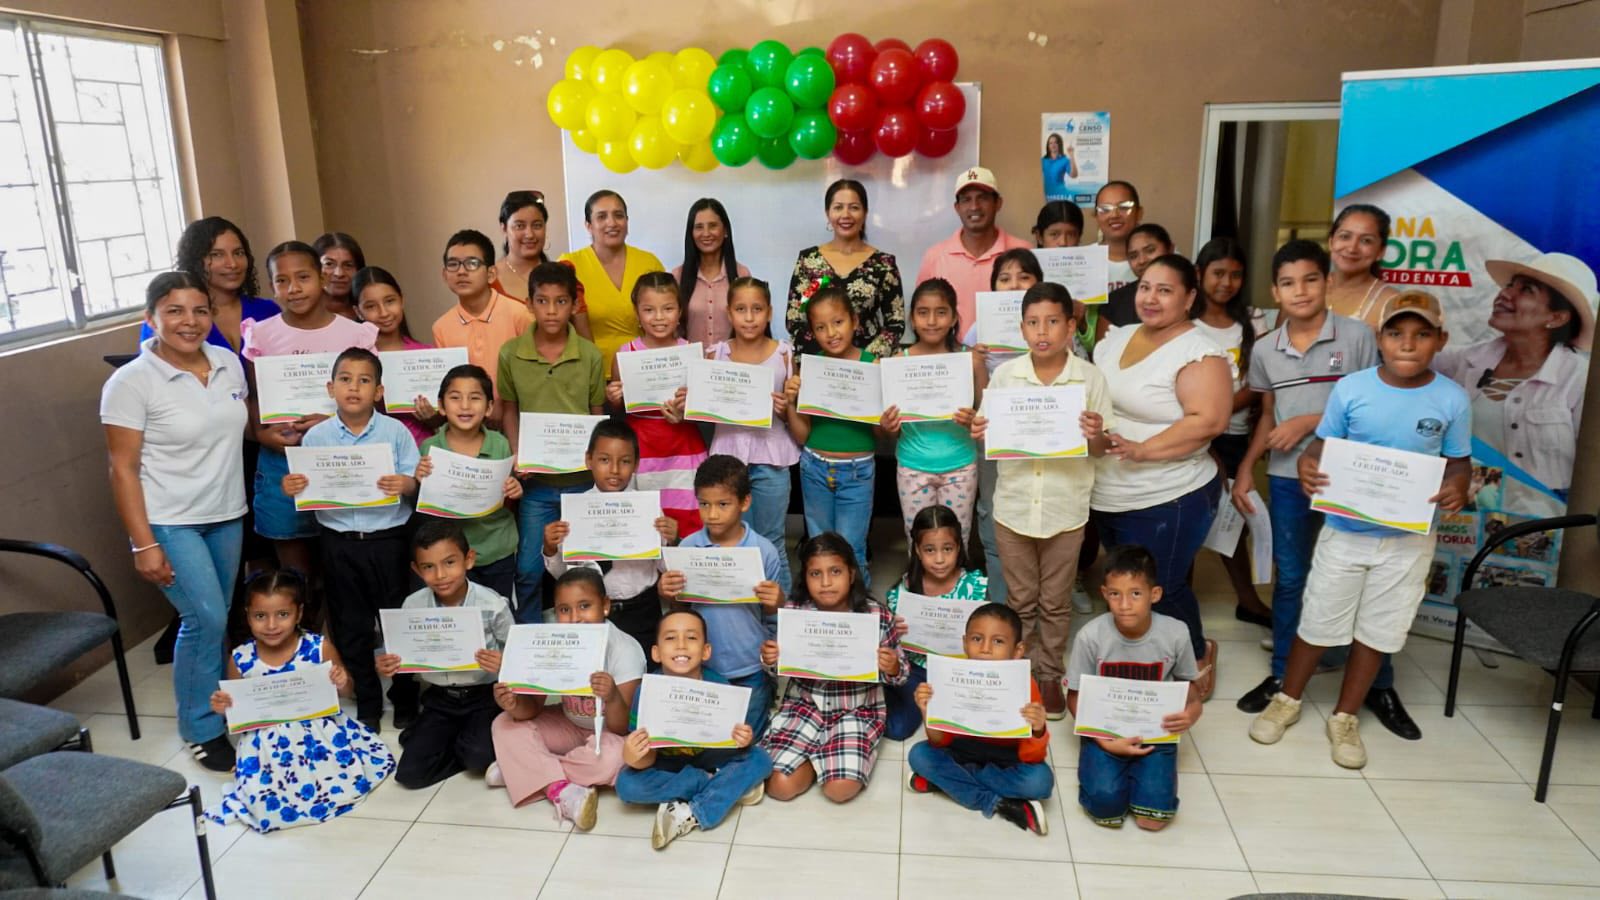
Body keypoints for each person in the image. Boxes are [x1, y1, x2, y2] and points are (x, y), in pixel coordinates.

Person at [1250, 291, 1471, 769]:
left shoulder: (1452, 398)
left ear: (1441, 340)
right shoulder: (1352, 388)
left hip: (1407, 540)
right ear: (1380, 339)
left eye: (1421, 334)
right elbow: (1322, 446)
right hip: (1345, 531)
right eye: (1396, 333)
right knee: (1318, 621)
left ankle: (1345, 716)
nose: (1407, 344)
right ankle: (1287, 699)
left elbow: (1458, 462)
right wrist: (1308, 464)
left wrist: (1457, 485)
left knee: (1378, 630)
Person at [1229, 241, 1418, 740]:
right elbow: (1268, 416)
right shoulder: (1266, 348)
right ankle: (1283, 677)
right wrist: (1247, 468)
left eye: (1311, 279)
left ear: (1328, 282)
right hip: (1289, 477)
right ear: (1275, 292)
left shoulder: (1357, 336)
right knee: (1291, 577)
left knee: (1365, 579)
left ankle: (1377, 685)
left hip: (1355, 476)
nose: (1301, 291)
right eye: (1288, 283)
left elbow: (1377, 399)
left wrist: (1310, 420)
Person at [103, 271, 251, 772]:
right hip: (170, 520)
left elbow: (237, 429)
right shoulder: (131, 382)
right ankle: (200, 727)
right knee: (204, 619)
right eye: (174, 311)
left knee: (217, 617)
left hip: (226, 513)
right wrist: (143, 543)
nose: (190, 321)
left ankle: (219, 702)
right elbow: (122, 468)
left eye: (199, 310)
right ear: (150, 318)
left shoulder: (227, 364)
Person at [1091, 254, 1231, 701]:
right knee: (1127, 586)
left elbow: (1209, 420)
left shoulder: (1199, 351)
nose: (1151, 298)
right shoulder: (1118, 336)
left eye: (1165, 290)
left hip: (1170, 494)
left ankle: (1197, 653)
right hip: (1110, 490)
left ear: (1189, 298)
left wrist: (1143, 449)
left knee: (1161, 587)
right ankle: (1144, 654)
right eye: (1146, 287)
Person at [972, 282, 1115, 719]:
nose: (1042, 331)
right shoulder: (1005, 377)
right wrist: (979, 432)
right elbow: (991, 438)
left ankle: (1050, 674)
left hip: (1065, 509)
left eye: (1052, 321)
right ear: (1021, 329)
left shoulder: (1089, 378)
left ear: (1070, 326)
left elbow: (1101, 449)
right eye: (1033, 323)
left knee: (1055, 601)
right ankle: (1021, 672)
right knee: (1020, 599)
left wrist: (1095, 435)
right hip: (1014, 507)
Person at [281, 347, 420, 731]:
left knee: (397, 622)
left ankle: (405, 697)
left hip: (389, 540)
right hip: (339, 541)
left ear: (379, 391)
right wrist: (293, 487)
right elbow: (306, 489)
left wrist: (405, 483)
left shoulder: (396, 432)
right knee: (351, 625)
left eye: (364, 380)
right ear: (331, 388)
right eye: (345, 379)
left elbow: (415, 482)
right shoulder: (317, 437)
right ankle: (368, 701)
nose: (354, 387)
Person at [207, 570, 393, 830]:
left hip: (317, 733)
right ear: (247, 615)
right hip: (266, 743)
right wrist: (223, 707)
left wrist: (342, 681)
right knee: (264, 802)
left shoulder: (318, 647)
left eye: (282, 614)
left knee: (340, 785)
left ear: (299, 613)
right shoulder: (240, 657)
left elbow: (347, 691)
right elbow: (237, 711)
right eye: (260, 616)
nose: (271, 625)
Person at [242, 241, 378, 582]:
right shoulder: (262, 334)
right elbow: (253, 396)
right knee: (295, 574)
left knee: (342, 567)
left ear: (322, 278)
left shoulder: (354, 333)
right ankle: (303, 617)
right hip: (282, 460)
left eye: (303, 277)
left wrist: (332, 424)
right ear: (272, 286)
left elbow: (372, 399)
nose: (294, 288)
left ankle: (335, 618)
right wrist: (262, 433)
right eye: (282, 280)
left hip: (341, 458)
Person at [1435, 252, 1598, 514]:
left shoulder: (1580, 378)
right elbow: (1401, 360)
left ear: (1556, 317)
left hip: (1544, 526)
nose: (1505, 294)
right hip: (1466, 521)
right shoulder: (1465, 361)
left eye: (1527, 290)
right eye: (1511, 285)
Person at [489, 568, 646, 829]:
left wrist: (612, 696)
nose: (575, 618)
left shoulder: (625, 649)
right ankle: (561, 788)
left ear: (605, 605)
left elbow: (622, 727)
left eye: (585, 606)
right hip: (569, 722)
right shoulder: (552, 643)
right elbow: (532, 709)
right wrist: (514, 704)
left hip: (609, 732)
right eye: (564, 610)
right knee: (503, 723)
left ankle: (523, 769)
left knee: (613, 759)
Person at [760, 533, 907, 803]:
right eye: (815, 574)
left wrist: (893, 666)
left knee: (839, 791)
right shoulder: (795, 612)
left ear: (851, 574)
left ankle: (835, 756)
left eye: (835, 572)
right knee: (779, 787)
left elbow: (901, 675)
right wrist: (771, 659)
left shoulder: (876, 615)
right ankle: (818, 757)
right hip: (804, 707)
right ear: (805, 577)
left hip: (857, 711)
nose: (826, 583)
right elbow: (782, 666)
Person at [1067, 545, 1203, 830]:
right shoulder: (1090, 637)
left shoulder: (1176, 633)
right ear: (1104, 594)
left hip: (1155, 732)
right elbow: (1075, 697)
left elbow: (1190, 690)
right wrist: (1102, 739)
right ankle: (1113, 775)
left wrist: (1191, 713)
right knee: (1106, 810)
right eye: (1115, 594)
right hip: (1105, 730)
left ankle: (1142, 780)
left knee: (1151, 820)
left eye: (1136, 594)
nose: (1125, 604)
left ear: (1155, 594)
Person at [499, 261, 606, 621]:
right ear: (528, 304)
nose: (551, 310)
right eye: (542, 301)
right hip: (537, 486)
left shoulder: (590, 354)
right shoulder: (511, 353)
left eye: (561, 302)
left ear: (574, 305)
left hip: (582, 483)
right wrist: (517, 452)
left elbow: (596, 413)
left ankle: (591, 635)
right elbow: (509, 409)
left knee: (586, 569)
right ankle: (530, 638)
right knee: (529, 570)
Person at [617, 608, 774, 849]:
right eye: (671, 638)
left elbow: (735, 739)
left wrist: (742, 738)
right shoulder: (647, 691)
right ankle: (713, 784)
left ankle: (694, 810)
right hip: (666, 760)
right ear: (656, 652)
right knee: (626, 785)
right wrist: (633, 756)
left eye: (691, 637)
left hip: (709, 754)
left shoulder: (719, 685)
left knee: (760, 760)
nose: (681, 645)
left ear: (706, 650)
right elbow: (645, 759)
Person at [658, 455, 787, 735]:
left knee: (746, 738)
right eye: (704, 504)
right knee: (705, 737)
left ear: (745, 502)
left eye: (723, 504)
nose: (712, 514)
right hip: (702, 666)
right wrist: (668, 593)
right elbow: (682, 610)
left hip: (750, 665)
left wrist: (777, 603)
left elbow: (772, 617)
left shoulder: (764, 551)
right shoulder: (688, 547)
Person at [377, 520, 512, 788]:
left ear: (468, 559)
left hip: (483, 697)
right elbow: (402, 652)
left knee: (477, 758)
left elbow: (517, 652)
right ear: (417, 570)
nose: (440, 575)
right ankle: (442, 739)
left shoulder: (492, 604)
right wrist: (389, 663)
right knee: (410, 775)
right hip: (440, 699)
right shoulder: (412, 605)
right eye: (428, 567)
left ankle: (452, 742)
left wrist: (503, 663)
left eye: (449, 562)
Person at [908, 602, 1052, 834]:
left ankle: (946, 781)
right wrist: (927, 712)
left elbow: (1032, 756)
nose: (985, 649)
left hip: (1008, 756)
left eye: (998, 641)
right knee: (919, 755)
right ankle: (998, 803)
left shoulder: (1026, 686)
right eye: (977, 639)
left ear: (1017, 650)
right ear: (965, 643)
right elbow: (939, 742)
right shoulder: (951, 676)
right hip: (962, 749)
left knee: (1040, 782)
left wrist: (1038, 729)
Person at [1188, 238, 1272, 627]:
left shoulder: (1253, 320)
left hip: (1235, 434)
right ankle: (1181, 599)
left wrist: (1221, 411)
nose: (1226, 282)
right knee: (1189, 516)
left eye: (1235, 275)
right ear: (1199, 274)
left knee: (1232, 518)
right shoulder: (1185, 322)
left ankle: (1248, 600)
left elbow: (1261, 382)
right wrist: (1208, 417)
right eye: (1218, 273)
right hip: (1193, 434)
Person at [543, 419, 677, 654]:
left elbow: (665, 567)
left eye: (624, 461)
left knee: (643, 666)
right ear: (589, 460)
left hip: (642, 609)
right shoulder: (575, 510)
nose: (614, 470)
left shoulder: (649, 509)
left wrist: (672, 541)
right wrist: (550, 549)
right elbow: (565, 575)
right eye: (604, 460)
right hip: (592, 614)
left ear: (636, 464)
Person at [705, 277, 800, 592]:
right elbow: (703, 407)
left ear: (769, 313)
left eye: (757, 309)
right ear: (729, 313)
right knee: (730, 539)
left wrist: (785, 408)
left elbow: (794, 413)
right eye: (741, 309)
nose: (749, 317)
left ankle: (777, 612)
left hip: (772, 458)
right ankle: (738, 605)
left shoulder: (784, 355)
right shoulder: (715, 354)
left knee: (772, 539)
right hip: (728, 459)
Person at [782, 286, 879, 582]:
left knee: (852, 549)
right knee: (819, 547)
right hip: (814, 467)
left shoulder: (873, 366)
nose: (831, 333)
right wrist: (791, 402)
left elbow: (882, 432)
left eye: (838, 322)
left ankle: (858, 606)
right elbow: (802, 436)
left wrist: (886, 416)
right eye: (821, 327)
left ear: (854, 321)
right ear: (812, 332)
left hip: (857, 470)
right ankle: (821, 603)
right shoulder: (810, 369)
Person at [969, 249, 1045, 610]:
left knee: (1039, 514)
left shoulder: (1050, 327)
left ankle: (1035, 601)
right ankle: (1000, 602)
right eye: (1004, 278)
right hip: (994, 439)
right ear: (993, 287)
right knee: (992, 511)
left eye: (1023, 277)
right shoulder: (978, 329)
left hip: (1041, 439)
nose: (1014, 285)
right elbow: (978, 400)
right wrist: (976, 363)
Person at [880, 278, 981, 545]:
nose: (932, 321)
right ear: (912, 319)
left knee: (957, 540)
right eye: (923, 312)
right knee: (918, 539)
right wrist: (888, 426)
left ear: (954, 317)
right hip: (913, 466)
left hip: (960, 466)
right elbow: (890, 428)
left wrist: (974, 419)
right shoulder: (898, 363)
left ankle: (956, 576)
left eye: (941, 312)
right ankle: (917, 576)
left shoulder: (971, 360)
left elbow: (985, 416)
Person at [609, 271, 709, 537]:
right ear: (637, 313)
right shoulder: (625, 354)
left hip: (684, 447)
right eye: (649, 310)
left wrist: (687, 411)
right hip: (643, 447)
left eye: (668, 309)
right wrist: (614, 398)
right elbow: (619, 408)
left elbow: (704, 410)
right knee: (645, 521)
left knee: (689, 518)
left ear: (680, 311)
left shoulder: (692, 352)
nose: (659, 317)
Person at [415, 364, 522, 600]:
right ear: (441, 406)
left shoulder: (500, 444)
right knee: (457, 611)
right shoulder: (429, 448)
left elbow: (509, 489)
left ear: (489, 407)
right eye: (455, 398)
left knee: (497, 608)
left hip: (496, 548)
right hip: (448, 555)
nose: (465, 406)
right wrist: (419, 479)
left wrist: (515, 488)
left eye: (475, 398)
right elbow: (424, 504)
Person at [884, 505, 988, 739]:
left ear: (958, 547)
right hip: (916, 670)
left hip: (961, 672)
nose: (939, 559)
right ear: (917, 551)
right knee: (898, 728)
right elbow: (888, 646)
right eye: (930, 550)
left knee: (970, 725)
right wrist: (892, 631)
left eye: (947, 549)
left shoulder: (977, 587)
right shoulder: (903, 591)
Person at [784, 178, 904, 358]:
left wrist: (865, 359)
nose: (846, 215)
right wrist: (825, 354)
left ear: (865, 213)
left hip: (867, 364)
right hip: (819, 362)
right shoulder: (809, 262)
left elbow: (895, 324)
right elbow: (796, 318)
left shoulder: (883, 265)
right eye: (838, 207)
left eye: (854, 207)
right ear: (828, 213)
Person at [560, 190, 665, 378]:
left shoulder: (649, 263)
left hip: (647, 373)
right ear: (588, 225)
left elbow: (667, 317)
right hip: (590, 375)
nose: (612, 223)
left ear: (627, 221)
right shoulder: (570, 265)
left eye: (618, 215)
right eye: (602, 217)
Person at [916, 166, 1033, 335]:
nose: (974, 206)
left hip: (1012, 350)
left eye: (982, 198)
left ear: (998, 203)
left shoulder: (1024, 251)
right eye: (966, 200)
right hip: (952, 352)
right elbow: (922, 315)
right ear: (957, 207)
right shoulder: (934, 256)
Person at [431, 228, 532, 397]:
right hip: (466, 411)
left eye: (472, 263)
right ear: (445, 275)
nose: (461, 272)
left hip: (516, 410)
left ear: (491, 274)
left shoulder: (520, 315)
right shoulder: (441, 327)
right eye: (453, 264)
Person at [161, 216, 279, 354]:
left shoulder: (268, 311)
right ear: (195, 261)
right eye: (217, 255)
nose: (232, 264)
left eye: (238, 253)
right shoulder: (167, 319)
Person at [354, 265, 436, 446]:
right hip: (371, 450)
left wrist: (432, 417)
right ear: (358, 312)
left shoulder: (426, 354)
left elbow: (443, 420)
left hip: (419, 450)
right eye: (371, 306)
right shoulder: (354, 361)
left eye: (390, 301)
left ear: (402, 301)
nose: (383, 313)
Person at [673, 198, 750, 346]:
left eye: (713, 226)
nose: (706, 233)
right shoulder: (677, 277)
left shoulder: (741, 274)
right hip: (690, 359)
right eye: (699, 227)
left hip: (731, 360)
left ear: (725, 230)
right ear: (691, 233)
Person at [1030, 201, 1099, 358]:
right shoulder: (1027, 276)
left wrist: (1082, 323)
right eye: (1054, 234)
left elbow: (1094, 345)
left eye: (1071, 234)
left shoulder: (1091, 278)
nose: (1063, 243)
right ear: (1039, 237)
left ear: (1079, 237)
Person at [1325, 204, 1398, 329]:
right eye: (1345, 236)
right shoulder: (1307, 286)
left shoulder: (1391, 303)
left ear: (1381, 252)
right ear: (1331, 242)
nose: (1352, 248)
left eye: (1366, 241)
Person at [1102, 223, 1174, 330]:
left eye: (1150, 250)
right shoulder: (1115, 301)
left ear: (1170, 249)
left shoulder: (1187, 291)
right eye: (1133, 256)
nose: (1142, 260)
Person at [491, 190, 552, 301]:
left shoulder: (561, 275)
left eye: (537, 225)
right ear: (504, 228)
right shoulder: (488, 279)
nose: (530, 234)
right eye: (519, 226)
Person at [1094, 181, 1144, 291]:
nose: (1114, 215)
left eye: (1124, 207)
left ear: (1139, 213)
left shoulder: (1158, 257)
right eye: (1105, 209)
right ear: (1096, 217)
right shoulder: (1084, 259)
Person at [313, 231, 365, 320]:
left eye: (348, 265)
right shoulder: (303, 315)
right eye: (329, 264)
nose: (339, 273)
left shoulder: (370, 313)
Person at [1040, 133, 1078, 202]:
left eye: (1056, 142)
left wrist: (1071, 155)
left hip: (1060, 195)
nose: (1053, 145)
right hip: (1047, 195)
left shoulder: (1064, 160)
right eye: (1050, 143)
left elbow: (1074, 175)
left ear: (1060, 144)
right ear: (1048, 146)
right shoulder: (1043, 161)